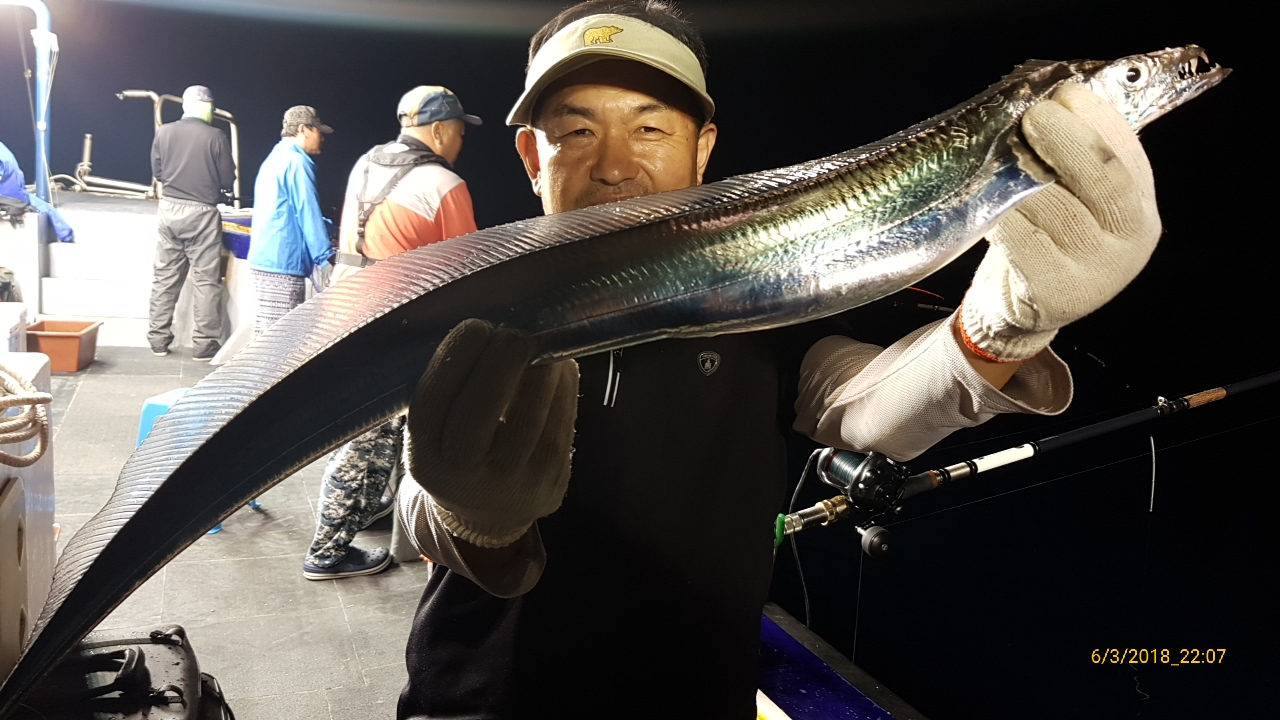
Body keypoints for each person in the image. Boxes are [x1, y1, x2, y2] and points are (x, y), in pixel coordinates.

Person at [393, 2, 1159, 717]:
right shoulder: (472, 301)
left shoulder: (765, 299)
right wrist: (467, 514)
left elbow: (871, 410)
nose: (616, 166)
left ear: (702, 149)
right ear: (533, 155)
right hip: (484, 698)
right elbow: (412, 519)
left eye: (650, 128)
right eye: (577, 131)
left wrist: (1006, 324)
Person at [302, 86, 482, 580]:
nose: (460, 142)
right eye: (459, 132)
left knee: (374, 430)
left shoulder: (366, 163)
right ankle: (326, 551)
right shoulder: (443, 183)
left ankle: (374, 510)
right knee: (366, 440)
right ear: (440, 130)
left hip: (346, 308)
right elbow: (469, 268)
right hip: (393, 324)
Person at [146, 85, 236, 360]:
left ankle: (158, 340)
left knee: (164, 277)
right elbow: (227, 179)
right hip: (202, 213)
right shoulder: (216, 136)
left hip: (169, 208)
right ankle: (204, 345)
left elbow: (158, 172)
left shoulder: (164, 132)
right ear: (206, 107)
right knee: (206, 280)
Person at [246, 105, 335, 338]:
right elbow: (307, 212)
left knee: (267, 335)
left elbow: (290, 209)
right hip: (283, 264)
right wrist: (326, 258)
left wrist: (331, 227)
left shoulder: (275, 157)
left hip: (265, 261)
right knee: (280, 341)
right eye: (318, 131)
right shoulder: (297, 162)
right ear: (304, 129)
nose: (322, 138)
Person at [1, 140, 74, 243]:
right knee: (45, 207)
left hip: (7, 196)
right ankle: (66, 235)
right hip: (18, 195)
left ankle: (66, 235)